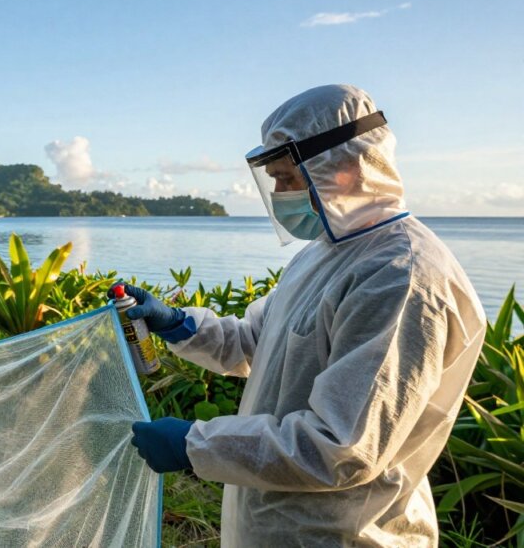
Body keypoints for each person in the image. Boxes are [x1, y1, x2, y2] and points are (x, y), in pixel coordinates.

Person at [117, 85, 486, 546]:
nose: (278, 194)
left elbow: (342, 447)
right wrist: (178, 323)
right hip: (277, 525)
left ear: (347, 169)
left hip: (344, 533)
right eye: (273, 179)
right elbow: (258, 343)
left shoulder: (401, 277)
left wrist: (195, 444)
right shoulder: (325, 254)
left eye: (288, 178)